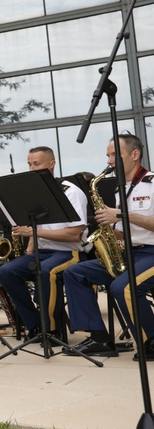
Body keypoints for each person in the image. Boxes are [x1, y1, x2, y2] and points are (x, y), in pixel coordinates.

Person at [63, 134, 154, 360]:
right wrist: (110, 232)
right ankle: (100, 338)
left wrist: (122, 214)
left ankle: (150, 342)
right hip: (132, 253)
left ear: (135, 155)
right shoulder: (119, 190)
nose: (109, 161)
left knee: (122, 287)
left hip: (152, 253)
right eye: (108, 156)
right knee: (75, 273)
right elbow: (124, 230)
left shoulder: (152, 183)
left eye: (115, 155)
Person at [0, 146, 87, 337]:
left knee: (46, 271)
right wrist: (30, 245)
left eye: (36, 164)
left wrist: (34, 232)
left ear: (52, 164)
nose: (31, 169)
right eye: (29, 164)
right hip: (43, 252)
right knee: (6, 271)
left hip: (70, 252)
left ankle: (53, 330)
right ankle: (34, 323)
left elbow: (75, 235)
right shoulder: (34, 193)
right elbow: (35, 228)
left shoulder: (71, 192)